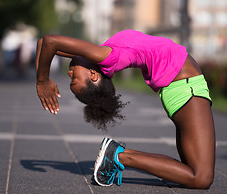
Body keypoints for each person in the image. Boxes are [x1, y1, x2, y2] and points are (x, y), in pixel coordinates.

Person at [35, 30, 215, 189]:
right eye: (74, 80)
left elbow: (45, 43)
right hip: (185, 87)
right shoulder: (106, 56)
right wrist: (42, 81)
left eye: (71, 79)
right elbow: (50, 42)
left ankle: (120, 154)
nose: (69, 74)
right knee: (200, 178)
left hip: (181, 87)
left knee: (189, 171)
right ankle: (120, 156)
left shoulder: (103, 53)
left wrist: (42, 80)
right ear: (93, 76)